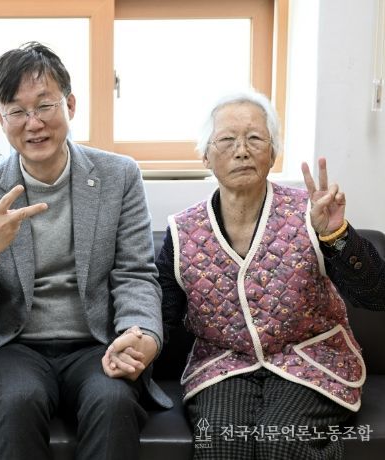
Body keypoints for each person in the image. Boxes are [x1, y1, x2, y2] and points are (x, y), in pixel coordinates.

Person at [0, 41, 171, 460]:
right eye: (17, 111)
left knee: (113, 401)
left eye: (44, 105)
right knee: (17, 401)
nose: (33, 123)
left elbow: (136, 274)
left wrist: (139, 333)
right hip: (12, 346)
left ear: (70, 104)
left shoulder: (119, 176)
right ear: (0, 119)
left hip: (95, 342)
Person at [156, 90, 385, 459]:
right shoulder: (183, 231)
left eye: (255, 138)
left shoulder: (311, 213)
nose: (241, 151)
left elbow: (375, 295)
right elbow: (163, 313)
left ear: (273, 152)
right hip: (224, 364)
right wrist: (136, 340)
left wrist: (337, 236)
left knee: (282, 439)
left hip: (312, 359)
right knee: (221, 442)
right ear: (205, 156)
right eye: (227, 140)